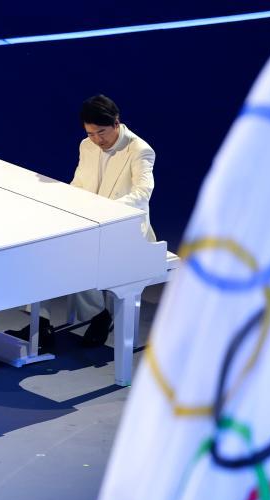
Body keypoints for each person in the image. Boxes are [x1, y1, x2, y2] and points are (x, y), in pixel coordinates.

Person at [68, 94, 157, 348]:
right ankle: (88, 314)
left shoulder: (139, 149)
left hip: (125, 229)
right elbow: (79, 183)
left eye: (101, 132)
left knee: (80, 257)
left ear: (116, 123)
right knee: (56, 250)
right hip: (92, 223)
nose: (97, 140)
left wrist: (105, 211)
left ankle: (100, 315)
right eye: (90, 133)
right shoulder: (86, 145)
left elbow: (142, 193)